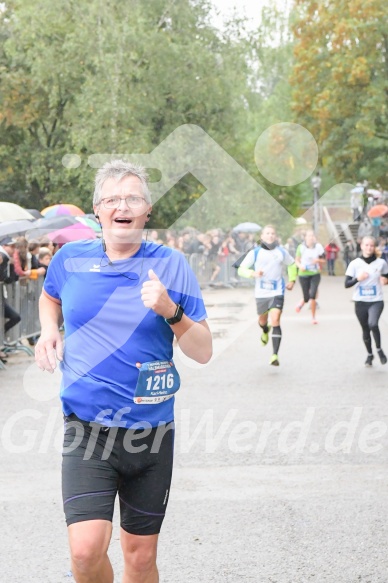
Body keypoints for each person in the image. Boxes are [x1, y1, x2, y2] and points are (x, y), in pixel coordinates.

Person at [34, 160, 212, 583]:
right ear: (97, 210)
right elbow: (49, 295)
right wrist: (47, 332)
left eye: (133, 197)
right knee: (84, 551)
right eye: (112, 198)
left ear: (148, 211)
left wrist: (172, 312)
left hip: (150, 432)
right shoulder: (69, 259)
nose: (122, 205)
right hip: (87, 428)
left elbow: (202, 351)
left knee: (140, 558)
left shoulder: (171, 265)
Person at [237, 224, 297, 366]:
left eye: (272, 233)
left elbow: (292, 264)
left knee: (275, 320)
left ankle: (275, 355)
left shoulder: (281, 252)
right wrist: (253, 273)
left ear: (275, 236)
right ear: (262, 236)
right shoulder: (255, 253)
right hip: (261, 293)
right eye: (267, 233)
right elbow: (241, 269)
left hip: (277, 291)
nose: (270, 235)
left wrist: (292, 280)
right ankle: (265, 331)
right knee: (263, 321)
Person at [345, 236, 388, 366]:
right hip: (360, 301)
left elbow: (386, 277)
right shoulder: (355, 263)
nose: (369, 247)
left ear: (374, 247)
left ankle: (379, 349)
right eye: (367, 245)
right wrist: (358, 278)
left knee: (373, 324)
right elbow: (346, 284)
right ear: (362, 246)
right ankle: (370, 354)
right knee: (365, 329)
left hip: (376, 300)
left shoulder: (381, 263)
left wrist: (385, 281)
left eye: (371, 245)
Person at [294, 230, 325, 324]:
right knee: (307, 297)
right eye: (309, 236)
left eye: (312, 236)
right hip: (303, 274)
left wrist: (318, 260)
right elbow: (297, 260)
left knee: (313, 295)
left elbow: (324, 259)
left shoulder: (318, 247)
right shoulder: (301, 247)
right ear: (305, 237)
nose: (311, 237)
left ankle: (313, 317)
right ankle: (302, 302)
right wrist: (300, 266)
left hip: (315, 274)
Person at [0, 237, 22, 346]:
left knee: (15, 317)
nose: (14, 249)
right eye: (11, 246)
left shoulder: (5, 257)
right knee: (15, 317)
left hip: (2, 296)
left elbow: (11, 278)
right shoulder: (3, 256)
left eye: (15, 246)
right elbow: (4, 278)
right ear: (4, 246)